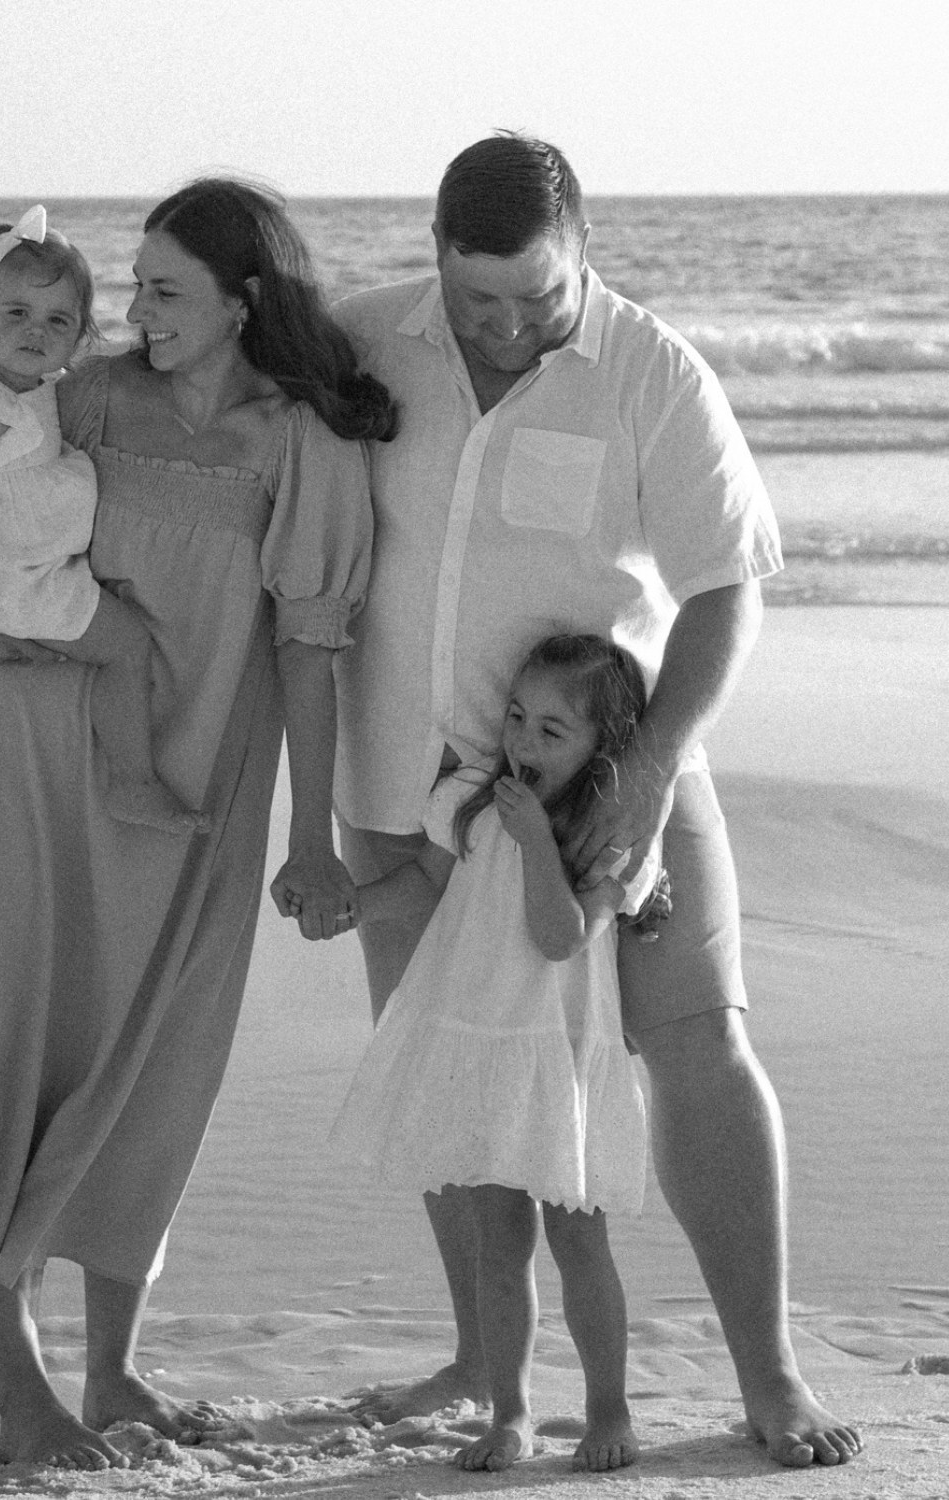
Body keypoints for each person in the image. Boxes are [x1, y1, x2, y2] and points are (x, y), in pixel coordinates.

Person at [329, 134, 862, 1467]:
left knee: (697, 1051)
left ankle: (771, 1377)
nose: (508, 326)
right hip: (411, 796)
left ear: (587, 258)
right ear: (434, 257)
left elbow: (729, 587)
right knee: (457, 1089)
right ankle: (477, 1356)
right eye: (478, 300)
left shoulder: (648, 371)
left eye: (539, 300)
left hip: (612, 784)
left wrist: (650, 768)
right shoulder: (364, 343)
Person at [0, 179, 392, 1471]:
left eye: (164, 291)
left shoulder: (300, 441)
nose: (136, 311)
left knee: (159, 1070)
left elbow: (312, 647)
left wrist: (313, 839)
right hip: (38, 766)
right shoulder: (89, 399)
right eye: (139, 287)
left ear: (243, 303)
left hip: (209, 794)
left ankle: (113, 1375)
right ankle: (22, 1390)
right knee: (19, 1059)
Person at [331, 635, 664, 1474]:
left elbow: (561, 938)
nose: (523, 742)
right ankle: (510, 1411)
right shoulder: (472, 798)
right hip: (476, 1040)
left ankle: (608, 1407)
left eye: (554, 731)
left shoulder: (606, 833)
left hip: (557, 1053)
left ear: (603, 745)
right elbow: (423, 884)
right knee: (498, 1240)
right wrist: (352, 904)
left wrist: (538, 844)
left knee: (578, 1240)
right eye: (518, 717)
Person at [0, 205, 206, 833]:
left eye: (57, 320)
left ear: (78, 333)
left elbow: (106, 365)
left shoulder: (36, 384)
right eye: (16, 313)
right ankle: (133, 783)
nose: (36, 331)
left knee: (82, 657)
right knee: (128, 648)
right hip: (12, 582)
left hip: (25, 572)